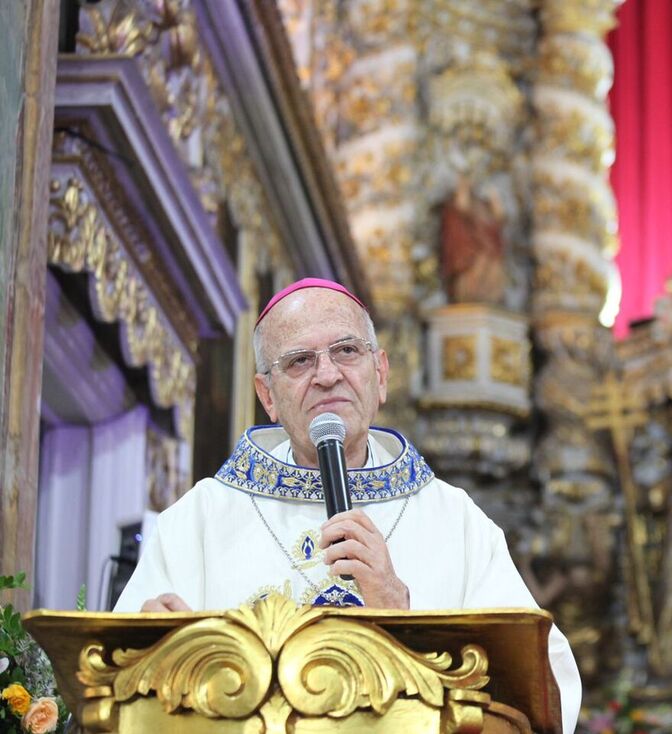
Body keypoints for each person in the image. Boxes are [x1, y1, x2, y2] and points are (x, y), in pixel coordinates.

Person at [114, 277, 581, 732]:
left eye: (347, 351)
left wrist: (405, 620)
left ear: (380, 374)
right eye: (299, 361)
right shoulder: (202, 519)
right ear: (267, 395)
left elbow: (546, 683)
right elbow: (116, 683)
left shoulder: (454, 520)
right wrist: (152, 653)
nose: (327, 374)